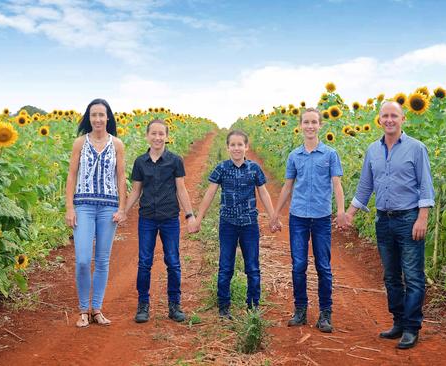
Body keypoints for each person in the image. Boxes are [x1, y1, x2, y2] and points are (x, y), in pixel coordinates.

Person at [345, 101, 434, 349]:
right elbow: (365, 186)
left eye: (394, 115)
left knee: (414, 276)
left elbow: (425, 185)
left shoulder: (417, 148)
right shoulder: (373, 150)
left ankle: (411, 328)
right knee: (392, 276)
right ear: (379, 119)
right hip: (383, 220)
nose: (389, 120)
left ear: (403, 119)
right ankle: (398, 322)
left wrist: (422, 217)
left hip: (409, 219)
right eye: (385, 116)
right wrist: (350, 214)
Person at [270, 107, 346, 333]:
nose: (310, 126)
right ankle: (300, 310)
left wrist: (340, 211)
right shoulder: (295, 156)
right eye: (306, 122)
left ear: (320, 125)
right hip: (298, 218)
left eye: (314, 122)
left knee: (323, 266)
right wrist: (275, 213)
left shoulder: (330, 154)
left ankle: (325, 313)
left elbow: (337, 184)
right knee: (299, 265)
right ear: (301, 126)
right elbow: (287, 186)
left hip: (322, 217)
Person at [192, 130, 276, 319]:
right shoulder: (221, 168)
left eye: (240, 145)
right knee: (225, 267)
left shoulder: (254, 169)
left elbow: (263, 193)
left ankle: (253, 307)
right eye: (233, 145)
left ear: (247, 147)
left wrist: (273, 216)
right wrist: (199, 218)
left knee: (253, 267)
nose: (237, 148)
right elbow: (210, 193)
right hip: (228, 224)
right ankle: (223, 307)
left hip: (249, 224)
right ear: (227, 147)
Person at [123, 119, 196, 323]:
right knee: (144, 262)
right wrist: (124, 212)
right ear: (147, 136)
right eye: (153, 134)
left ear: (167, 136)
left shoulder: (175, 161)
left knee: (173, 262)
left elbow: (181, 189)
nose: (157, 137)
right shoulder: (140, 162)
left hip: (169, 218)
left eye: (161, 134)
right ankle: (143, 305)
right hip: (147, 219)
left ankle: (174, 305)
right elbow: (136, 190)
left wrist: (189, 215)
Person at [65, 98, 127, 328]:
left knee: (102, 260)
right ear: (89, 118)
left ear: (108, 117)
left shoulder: (117, 144)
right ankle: (83, 309)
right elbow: (72, 175)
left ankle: (97, 309)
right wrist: (69, 207)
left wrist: (122, 208)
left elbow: (121, 177)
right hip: (83, 206)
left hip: (109, 207)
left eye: (102, 115)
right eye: (94, 115)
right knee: (82, 260)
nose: (98, 119)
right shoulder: (80, 143)